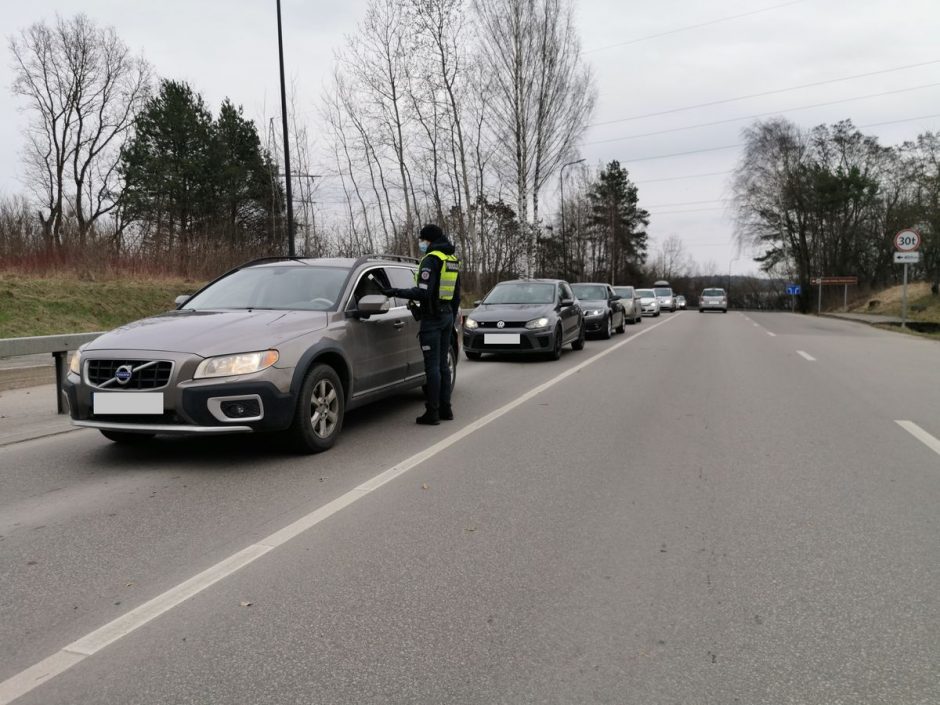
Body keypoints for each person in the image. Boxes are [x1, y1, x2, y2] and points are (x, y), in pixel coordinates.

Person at [382, 224, 461, 425]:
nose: (421, 243)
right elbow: (456, 295)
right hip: (446, 316)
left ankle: (432, 413)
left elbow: (423, 292)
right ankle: (446, 409)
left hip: (433, 319)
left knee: (432, 366)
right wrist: (450, 316)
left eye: (422, 240)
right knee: (443, 364)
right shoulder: (451, 259)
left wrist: (395, 292)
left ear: (429, 240)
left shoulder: (431, 259)